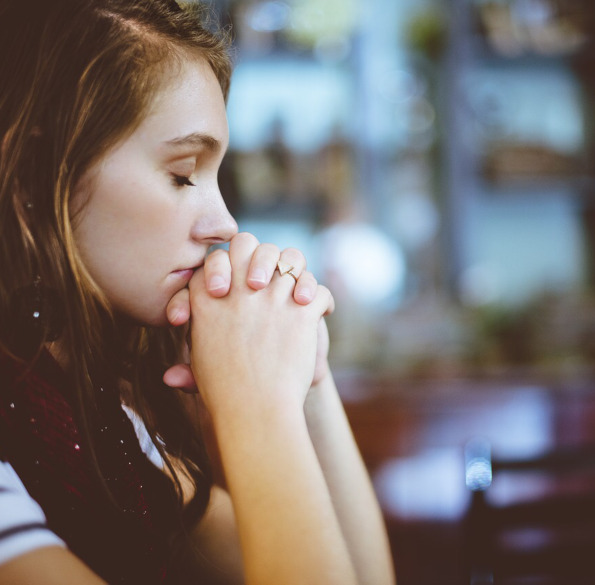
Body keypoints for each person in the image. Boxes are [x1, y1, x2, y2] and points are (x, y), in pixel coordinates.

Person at [0, 0, 395, 583]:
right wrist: (255, 406)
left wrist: (302, 372)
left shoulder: (99, 413)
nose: (226, 225)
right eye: (183, 173)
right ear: (39, 171)